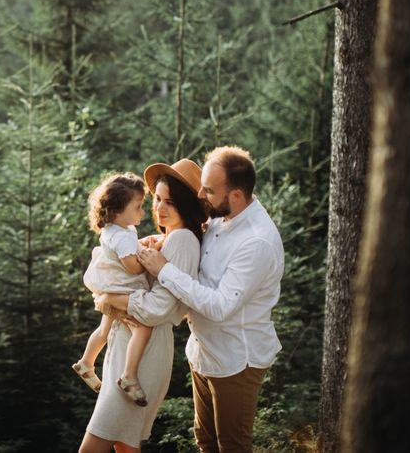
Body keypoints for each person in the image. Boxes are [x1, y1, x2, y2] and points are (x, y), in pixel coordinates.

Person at [137, 146, 284, 453]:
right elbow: (199, 248)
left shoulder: (256, 242)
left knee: (231, 445)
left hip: (235, 359)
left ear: (237, 196)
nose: (200, 195)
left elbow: (219, 306)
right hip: (203, 351)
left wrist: (164, 270)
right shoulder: (222, 214)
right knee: (205, 441)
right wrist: (165, 241)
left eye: (209, 190)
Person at [79, 159, 207, 453]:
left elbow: (159, 309)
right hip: (129, 343)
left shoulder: (184, 240)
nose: (159, 208)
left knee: (95, 443)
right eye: (157, 199)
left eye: (170, 202)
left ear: (185, 205)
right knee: (125, 444)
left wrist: (111, 300)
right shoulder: (169, 238)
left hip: (145, 348)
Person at [73, 172, 153, 406]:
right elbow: (133, 269)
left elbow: (126, 252)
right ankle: (129, 376)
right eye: (138, 207)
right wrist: (149, 260)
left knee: (105, 328)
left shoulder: (114, 229)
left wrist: (141, 245)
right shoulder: (123, 237)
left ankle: (86, 362)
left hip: (112, 284)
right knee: (143, 328)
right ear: (118, 210)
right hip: (123, 288)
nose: (143, 212)